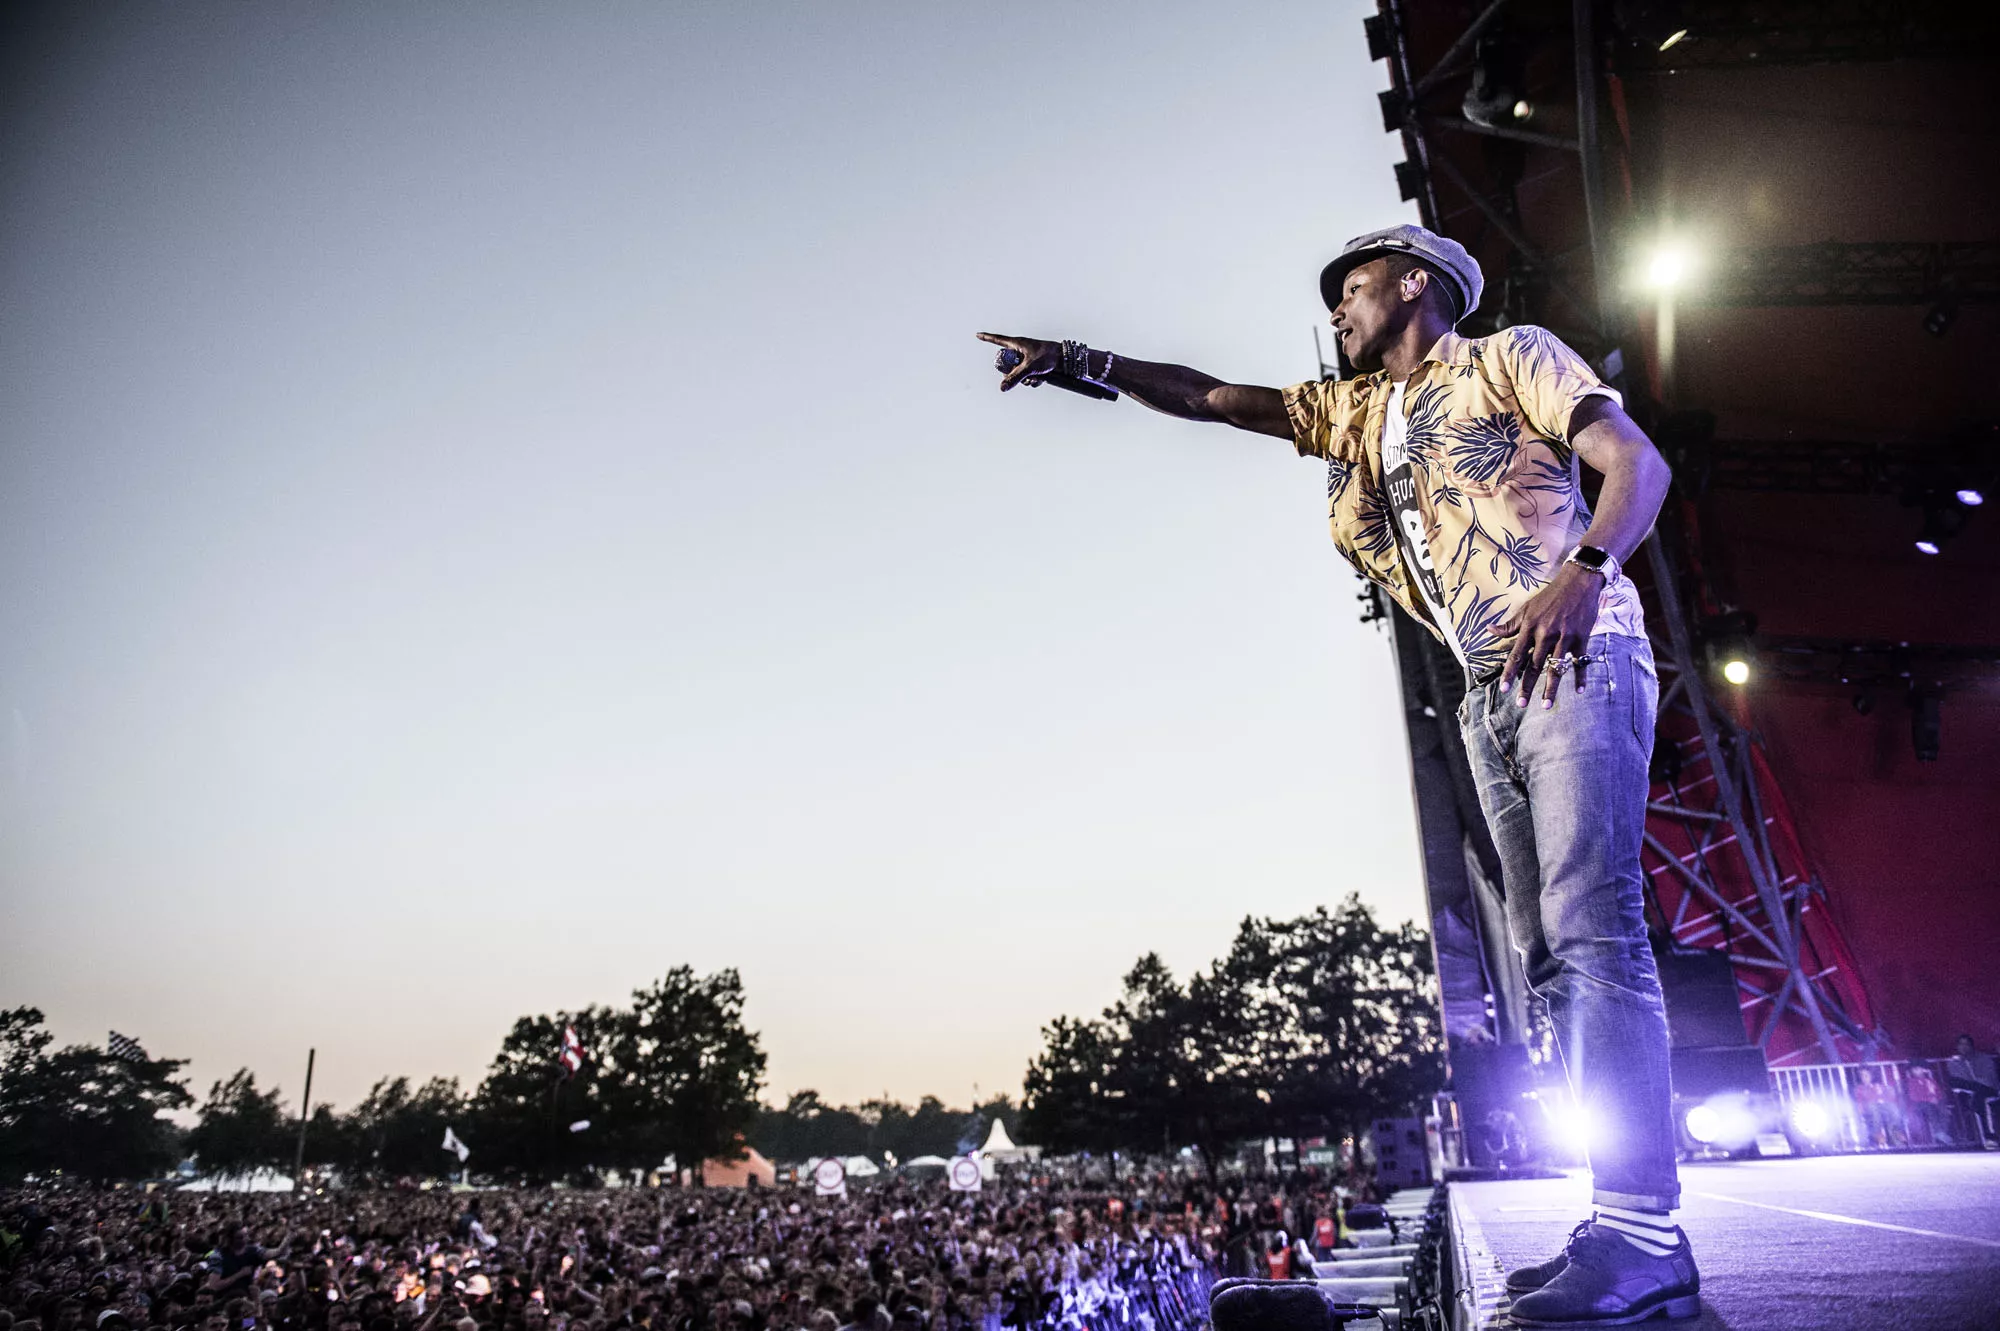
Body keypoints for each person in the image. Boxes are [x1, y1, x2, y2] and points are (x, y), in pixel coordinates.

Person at [979, 221, 1692, 1328]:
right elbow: (1215, 397)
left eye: (1351, 290)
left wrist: (1587, 569)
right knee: (1546, 955)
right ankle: (1611, 1225)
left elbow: (1634, 462)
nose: (1336, 312)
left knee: (1591, 927)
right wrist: (1081, 358)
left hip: (1573, 653)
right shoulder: (1356, 414)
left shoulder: (1511, 356)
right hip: (1486, 690)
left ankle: (1646, 1234)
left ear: (1414, 284)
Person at [1944, 1034, 1999, 1144]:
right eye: (1961, 1044)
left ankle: (1989, 1136)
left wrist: (1972, 1084)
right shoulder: (1954, 1061)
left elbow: (1989, 1078)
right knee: (1957, 1086)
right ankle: (1963, 1136)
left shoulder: (1984, 1058)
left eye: (1966, 1044)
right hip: (1968, 1091)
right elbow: (1957, 1080)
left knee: (1980, 1095)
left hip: (1988, 1089)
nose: (1963, 1047)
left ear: (1972, 1046)